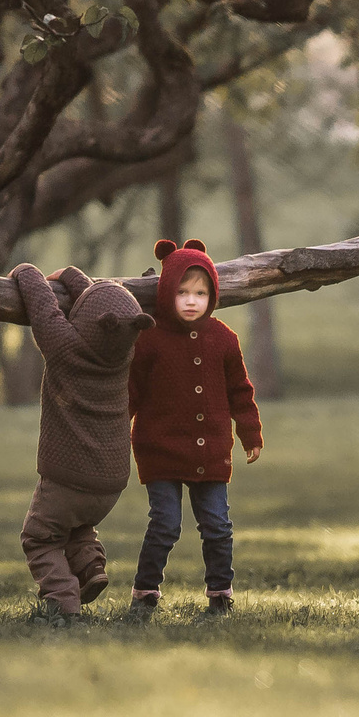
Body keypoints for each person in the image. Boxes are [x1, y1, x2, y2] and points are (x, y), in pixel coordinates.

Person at [125, 238, 263, 621]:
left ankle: (220, 594)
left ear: (213, 295)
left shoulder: (224, 339)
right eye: (182, 292)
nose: (190, 300)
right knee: (165, 524)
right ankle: (145, 593)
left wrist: (249, 433)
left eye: (200, 293)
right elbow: (131, 393)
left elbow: (241, 391)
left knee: (217, 525)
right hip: (160, 449)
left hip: (210, 451)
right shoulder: (149, 340)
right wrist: (116, 430)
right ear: (167, 291)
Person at [12, 262, 153, 625]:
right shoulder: (124, 352)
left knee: (40, 536)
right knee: (77, 522)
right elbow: (106, 311)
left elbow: (42, 304)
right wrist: (75, 277)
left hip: (66, 478)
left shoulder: (64, 347)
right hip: (111, 482)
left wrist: (28, 270)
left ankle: (63, 601)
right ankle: (90, 566)